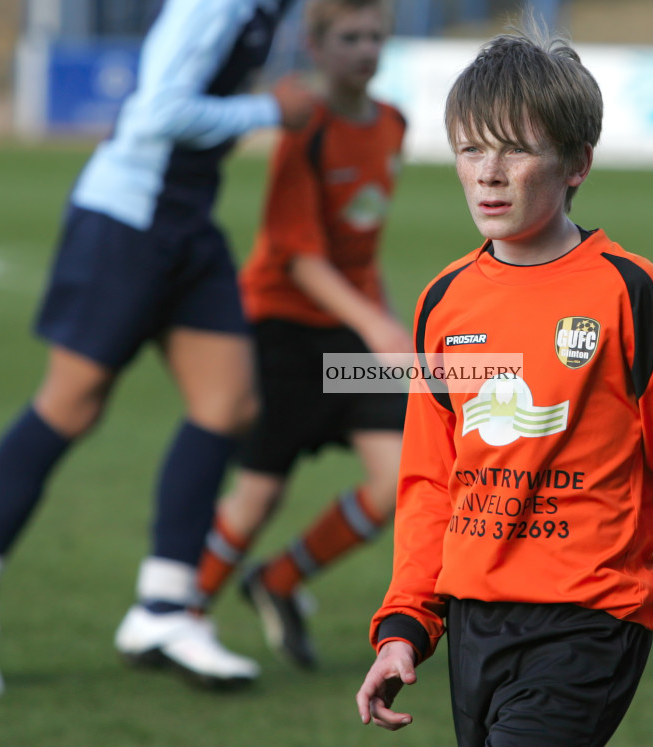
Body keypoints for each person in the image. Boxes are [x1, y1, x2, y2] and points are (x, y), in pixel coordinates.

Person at [355, 26, 653, 747]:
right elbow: (432, 480)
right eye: (471, 148)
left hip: (588, 619)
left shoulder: (634, 295)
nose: (488, 173)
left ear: (577, 163)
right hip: (476, 618)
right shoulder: (443, 302)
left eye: (517, 148)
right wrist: (407, 621)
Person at [0, 0, 319, 696]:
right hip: (127, 219)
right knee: (71, 405)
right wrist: (267, 112)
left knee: (229, 404)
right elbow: (159, 112)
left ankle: (162, 609)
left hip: (185, 223)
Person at [192, 0, 410, 671]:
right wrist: (375, 324)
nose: (365, 49)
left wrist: (388, 321)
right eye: (349, 37)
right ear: (316, 48)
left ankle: (279, 580)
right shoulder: (305, 128)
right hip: (284, 333)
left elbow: (360, 251)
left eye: (375, 36)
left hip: (348, 336)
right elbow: (298, 255)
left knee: (403, 475)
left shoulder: (394, 123)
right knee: (259, 495)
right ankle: (180, 616)